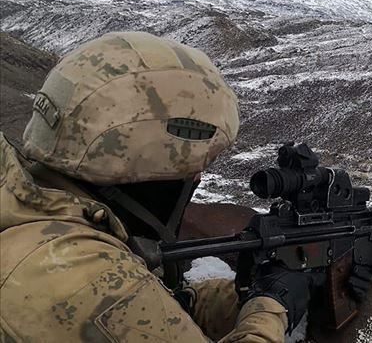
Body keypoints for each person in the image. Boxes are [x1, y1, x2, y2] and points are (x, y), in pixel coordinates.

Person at [0, 31, 325, 342]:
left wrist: (251, 292)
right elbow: (119, 309)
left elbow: (155, 311)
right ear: (139, 166)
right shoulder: (86, 280)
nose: (196, 179)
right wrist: (270, 308)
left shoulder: (29, 210)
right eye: (190, 168)